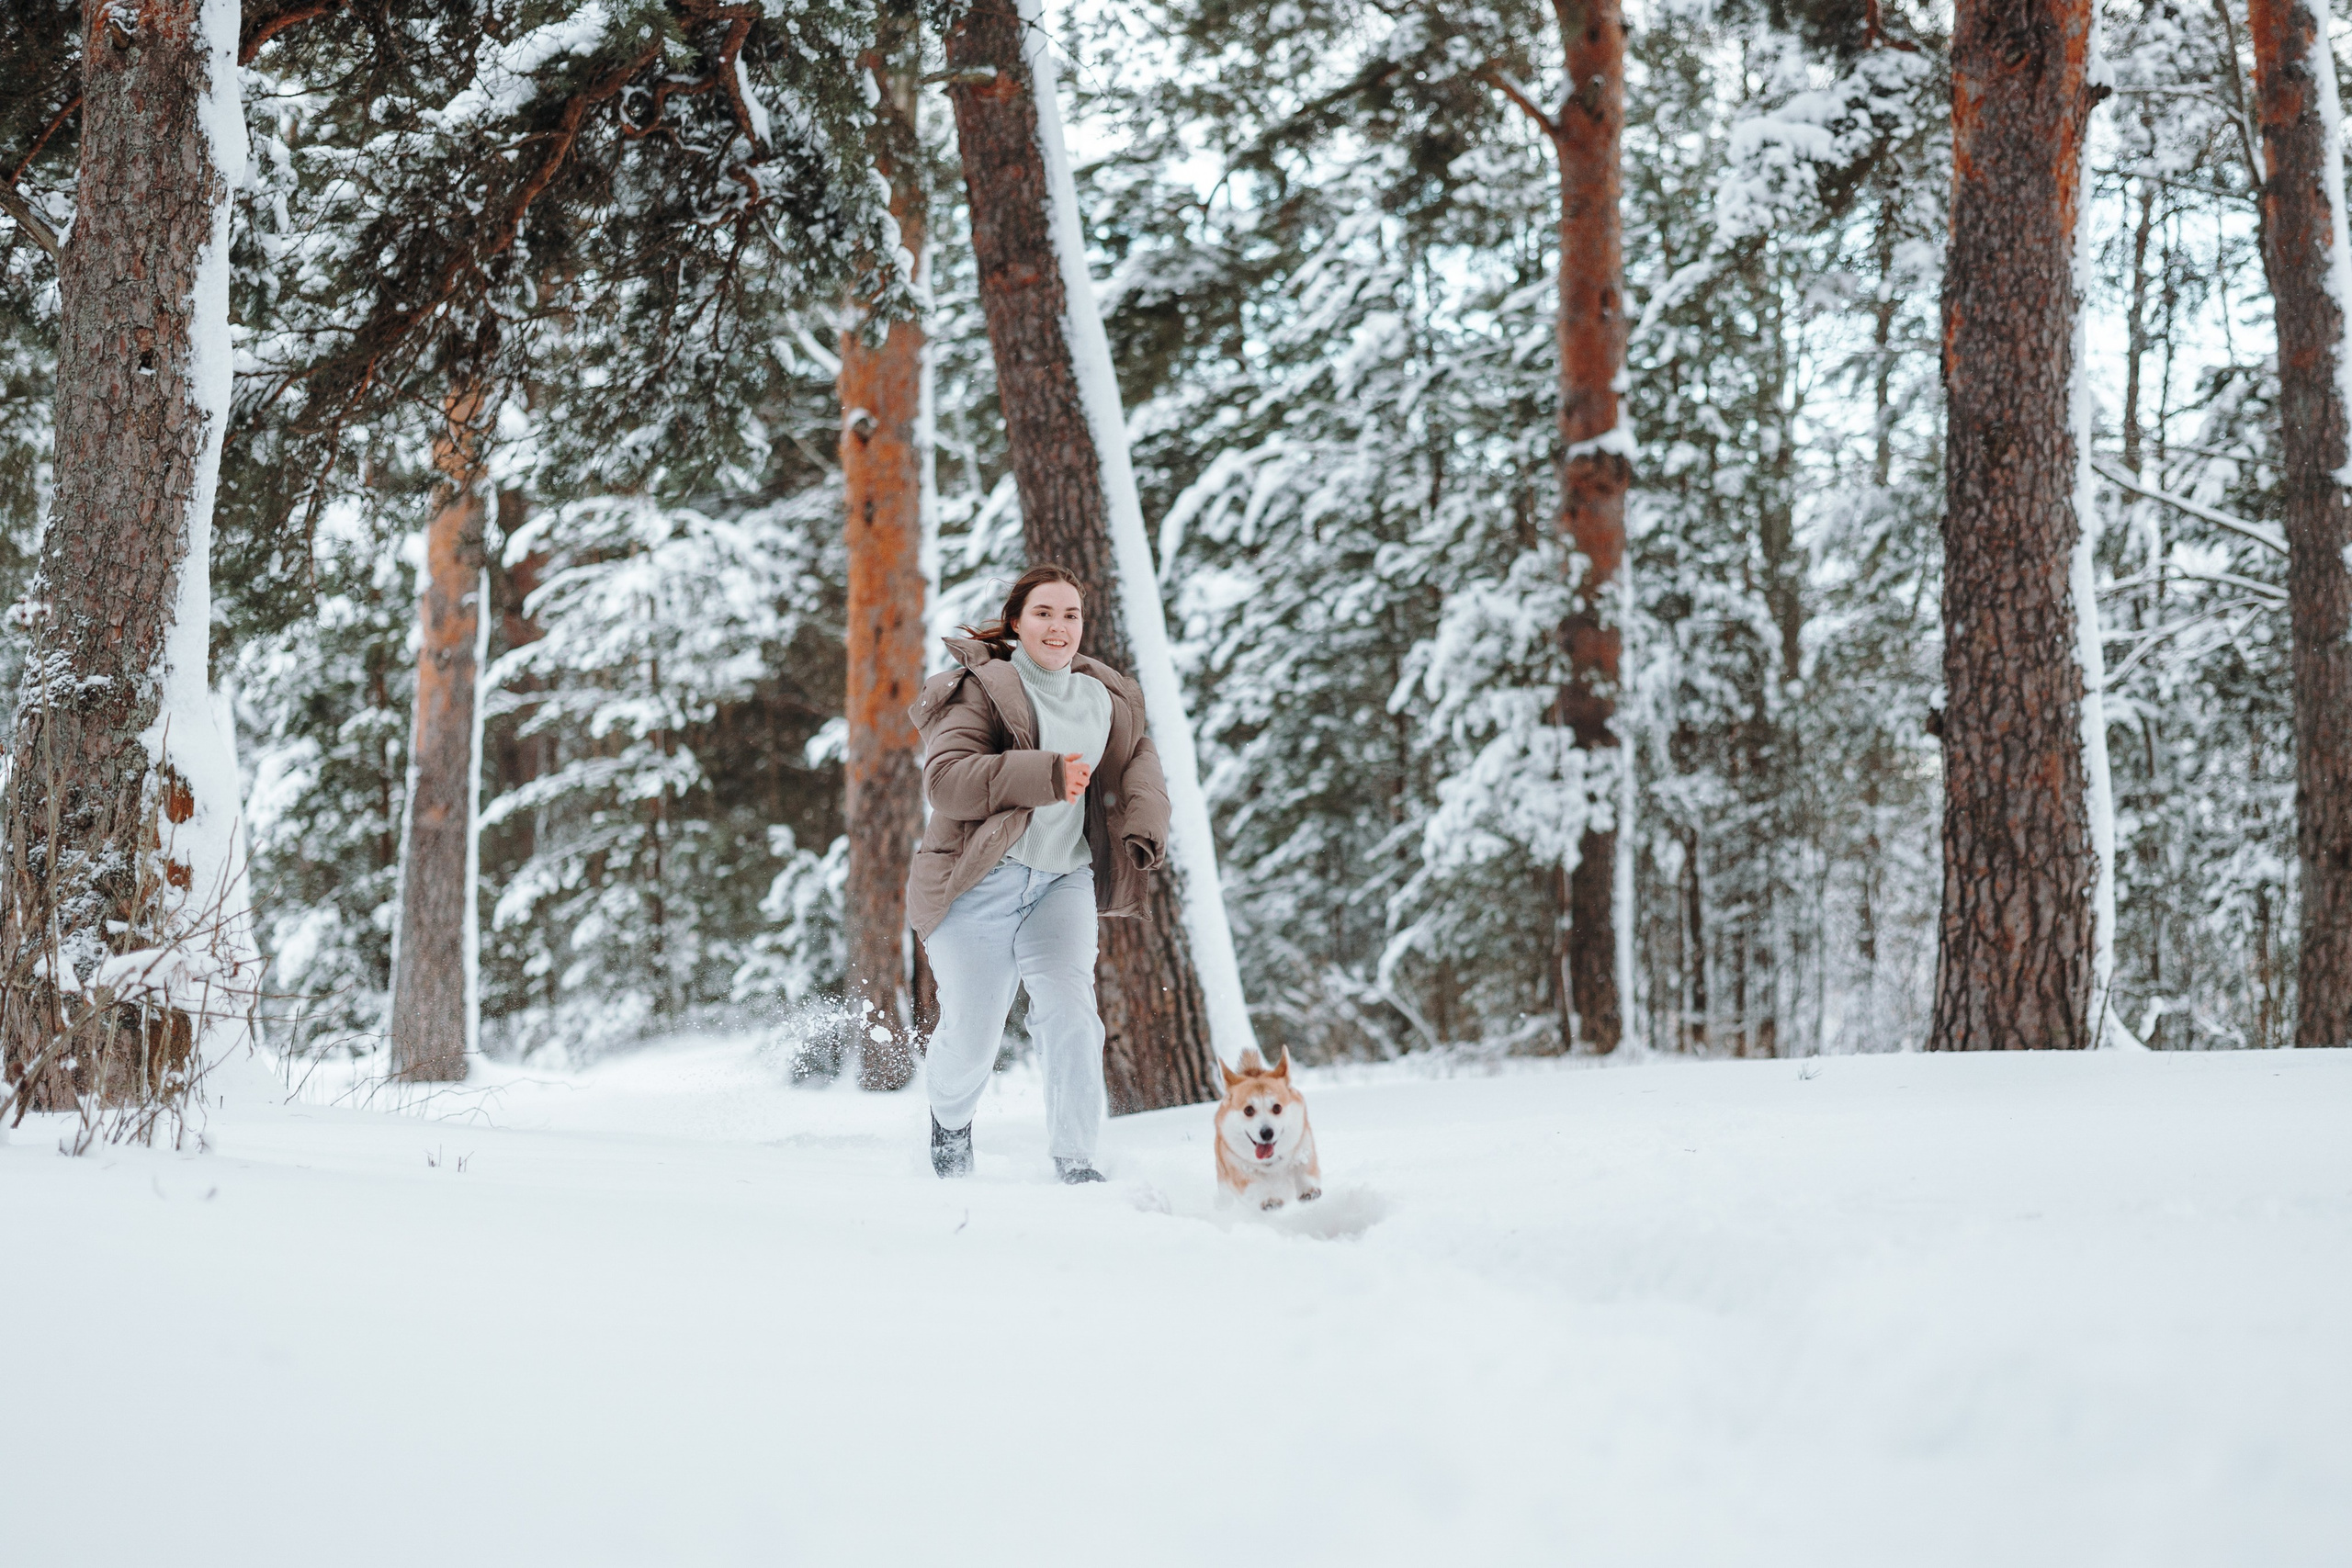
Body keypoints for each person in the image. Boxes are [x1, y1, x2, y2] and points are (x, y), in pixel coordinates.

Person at [905, 564, 1169, 1182]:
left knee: (1072, 1011)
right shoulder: (983, 689)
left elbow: (1137, 763)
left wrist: (1145, 824)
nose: (1058, 626)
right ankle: (949, 1120)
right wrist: (1042, 774)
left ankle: (1076, 1159)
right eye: (1044, 613)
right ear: (1018, 622)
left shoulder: (1104, 694)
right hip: (978, 881)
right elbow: (946, 782)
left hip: (1062, 880)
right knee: (972, 1032)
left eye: (1070, 614)